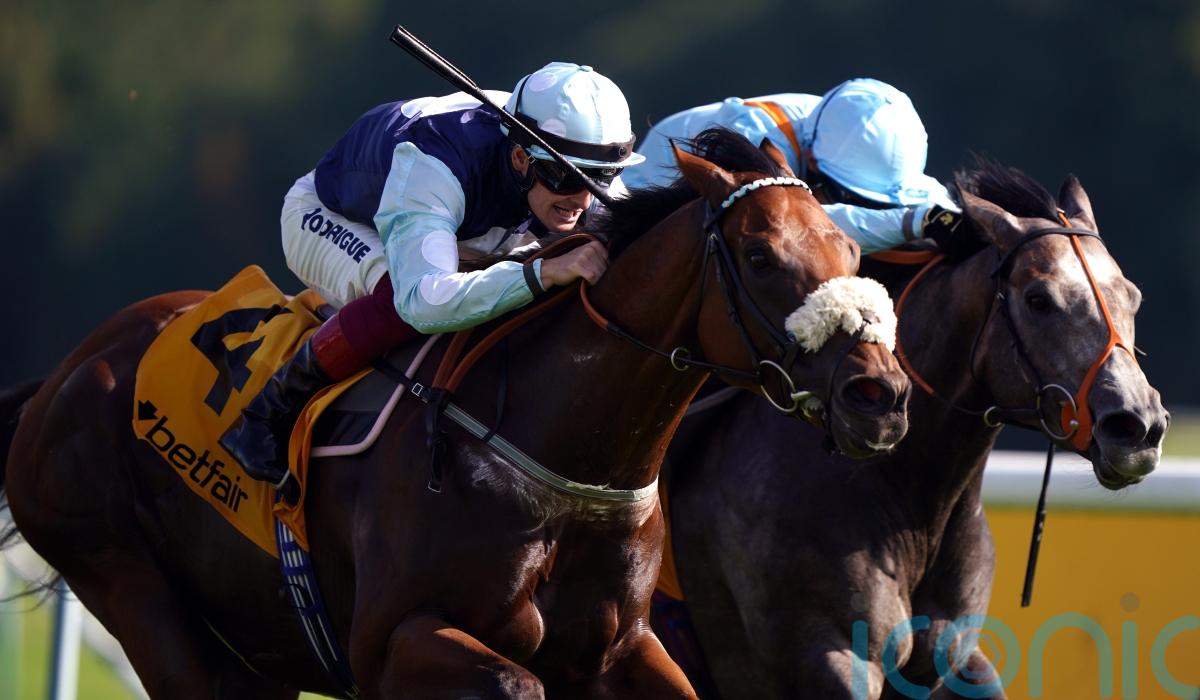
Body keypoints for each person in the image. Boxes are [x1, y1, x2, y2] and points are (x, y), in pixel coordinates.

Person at [220, 62, 645, 502]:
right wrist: (540, 273)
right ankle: (268, 413)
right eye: (566, 177)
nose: (582, 198)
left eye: (599, 177)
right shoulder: (436, 161)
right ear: (520, 158)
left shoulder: (566, 163)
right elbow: (423, 302)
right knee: (400, 298)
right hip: (329, 215)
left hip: (458, 229)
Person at [618, 78, 962, 253]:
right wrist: (913, 222)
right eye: (848, 197)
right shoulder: (754, 137)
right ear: (811, 158)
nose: (862, 208)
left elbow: (941, 212)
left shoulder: (836, 133)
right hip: (638, 225)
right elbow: (806, 229)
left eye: (874, 203)